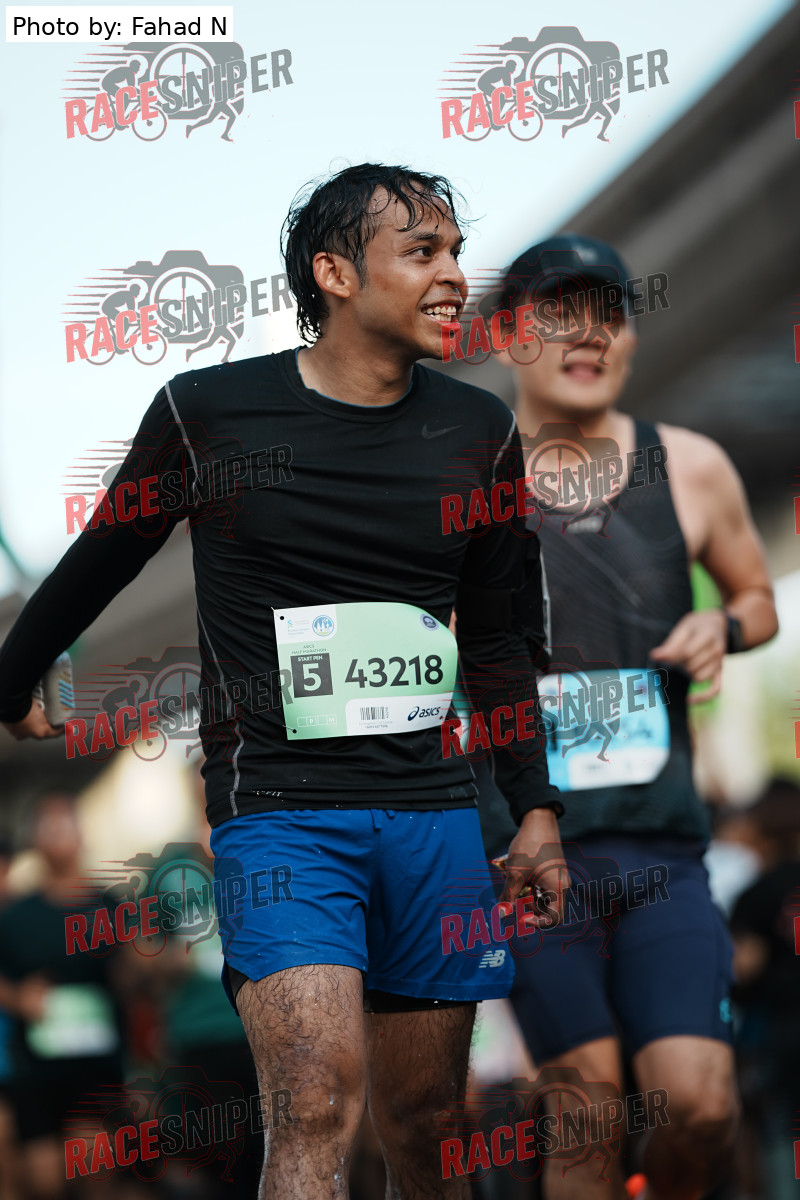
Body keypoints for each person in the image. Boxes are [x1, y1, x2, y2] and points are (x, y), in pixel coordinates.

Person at [0, 164, 566, 1199]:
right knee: (310, 1105)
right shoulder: (210, 413)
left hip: (433, 813)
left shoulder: (478, 431)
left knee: (427, 1130)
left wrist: (534, 807)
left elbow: (496, 639)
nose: (453, 276)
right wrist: (13, 674)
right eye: (422, 253)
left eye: (455, 252)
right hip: (278, 815)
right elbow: (103, 556)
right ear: (334, 273)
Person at [477, 235, 778, 1199]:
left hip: (661, 850)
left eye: (609, 312)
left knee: (700, 1106)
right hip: (526, 857)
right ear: (508, 335)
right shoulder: (464, 482)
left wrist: (721, 626)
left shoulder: (690, 465)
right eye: (559, 313)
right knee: (588, 1116)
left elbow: (758, 599)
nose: (590, 334)